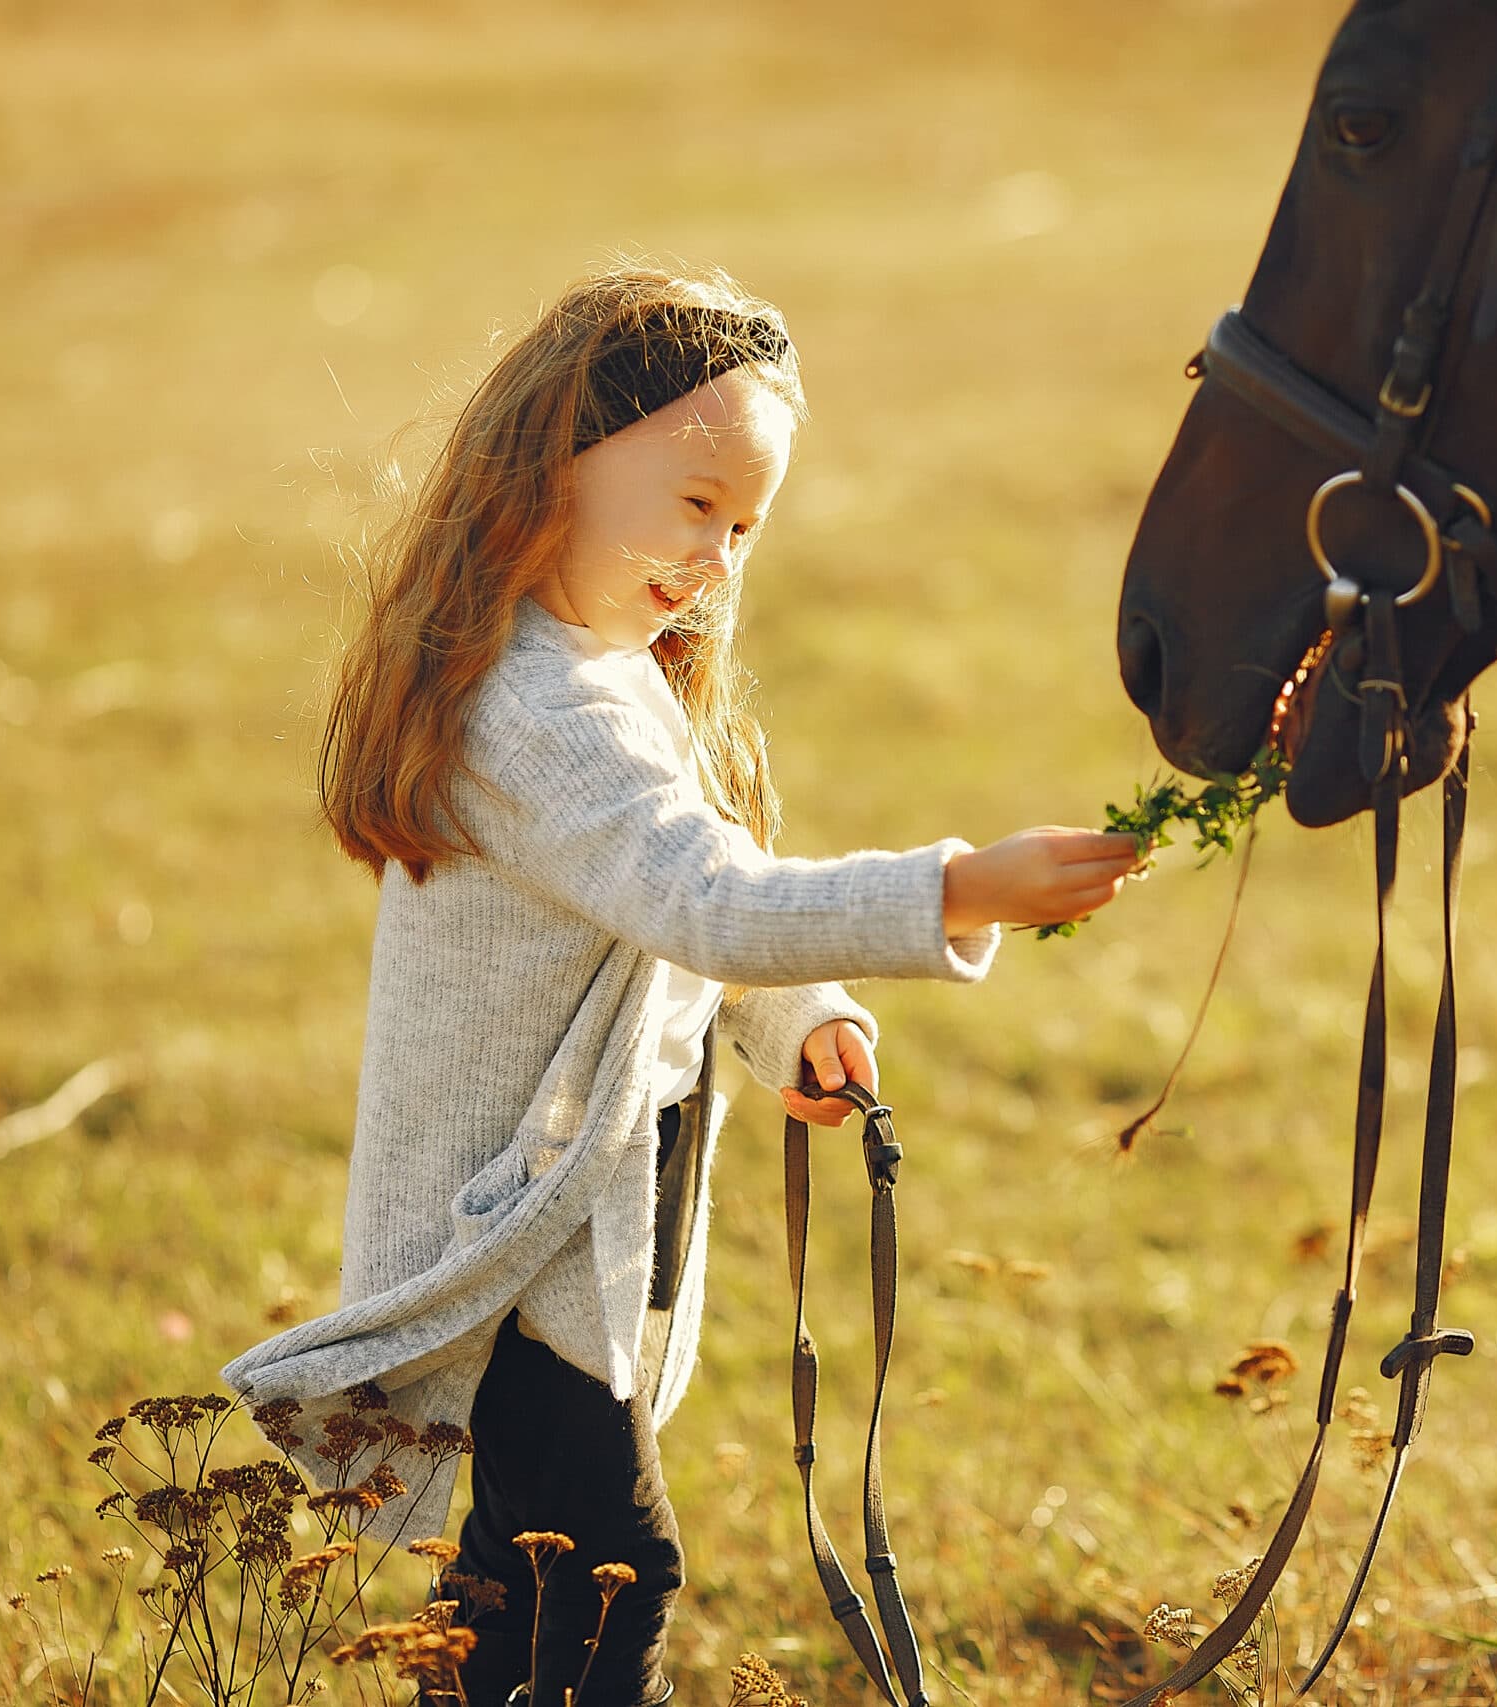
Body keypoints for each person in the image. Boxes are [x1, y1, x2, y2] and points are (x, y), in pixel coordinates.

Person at [222, 265, 1141, 1705]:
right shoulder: (536, 706)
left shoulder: (604, 670)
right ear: (557, 463)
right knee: (606, 1570)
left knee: (524, 1581)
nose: (718, 556)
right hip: (515, 1237)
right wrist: (959, 888)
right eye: (696, 503)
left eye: (747, 525)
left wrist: (800, 1021)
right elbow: (707, 902)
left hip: (581, 1208)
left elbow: (670, 909)